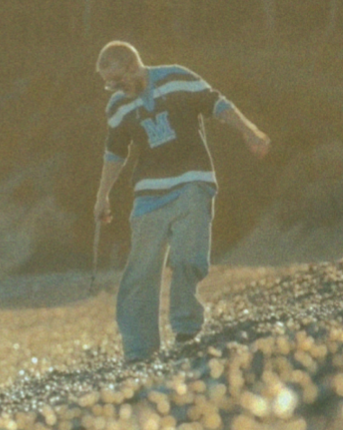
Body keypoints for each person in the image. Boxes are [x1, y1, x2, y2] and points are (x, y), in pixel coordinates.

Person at [92, 41, 270, 363]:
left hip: (193, 181)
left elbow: (216, 103)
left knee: (189, 258)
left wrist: (249, 130)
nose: (114, 89)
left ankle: (185, 329)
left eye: (117, 80)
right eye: (109, 84)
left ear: (134, 65)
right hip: (148, 195)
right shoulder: (118, 106)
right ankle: (139, 349)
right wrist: (102, 195)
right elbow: (115, 151)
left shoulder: (177, 78)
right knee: (141, 273)